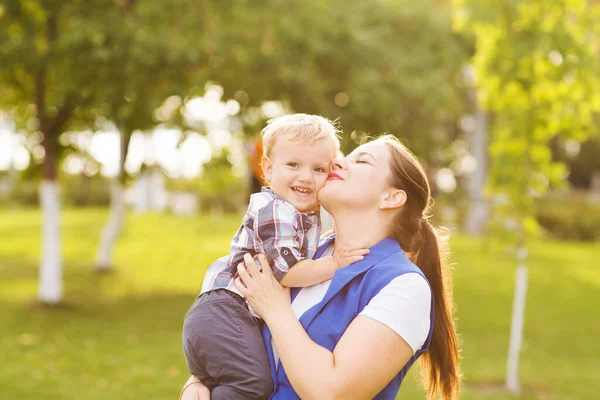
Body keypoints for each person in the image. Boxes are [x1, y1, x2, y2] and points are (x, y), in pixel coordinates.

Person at [182, 134, 460, 400]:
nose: (336, 163)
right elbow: (237, 340)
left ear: (391, 198)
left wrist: (275, 309)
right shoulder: (300, 255)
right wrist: (199, 380)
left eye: (361, 161)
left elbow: (334, 393)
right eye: (343, 157)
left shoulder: (404, 287)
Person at [181, 114, 369, 400]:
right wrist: (335, 263)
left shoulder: (305, 213)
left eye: (318, 169)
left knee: (232, 384)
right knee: (253, 386)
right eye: (293, 164)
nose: (305, 176)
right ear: (267, 169)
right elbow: (288, 272)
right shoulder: (275, 209)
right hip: (226, 311)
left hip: (228, 316)